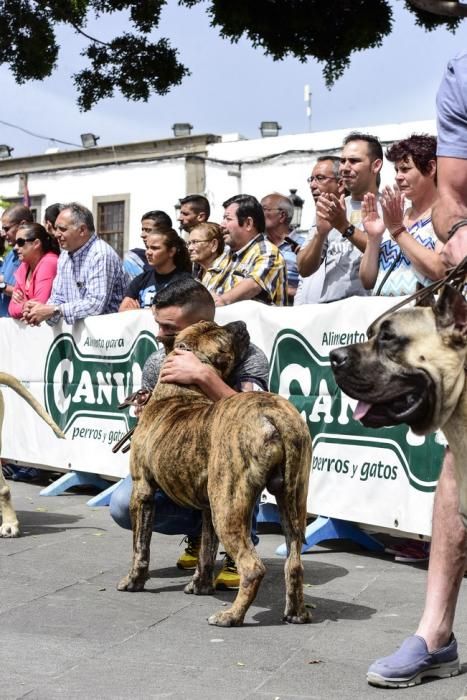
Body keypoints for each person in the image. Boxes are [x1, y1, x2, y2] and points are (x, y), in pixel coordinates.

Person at [367, 52, 467, 689]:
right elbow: (456, 199)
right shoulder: (463, 70)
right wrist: (460, 243)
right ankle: (435, 633)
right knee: (460, 455)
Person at [110, 277, 269, 590]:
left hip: (230, 466)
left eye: (169, 328)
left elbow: (257, 420)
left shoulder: (247, 356)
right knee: (120, 503)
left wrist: (204, 376)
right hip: (181, 466)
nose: (160, 335)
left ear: (202, 325)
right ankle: (200, 531)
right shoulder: (159, 360)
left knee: (235, 470)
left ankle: (239, 547)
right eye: (158, 324)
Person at [359, 134, 446, 296]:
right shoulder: (395, 216)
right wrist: (374, 238)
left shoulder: (447, 217)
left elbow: (440, 270)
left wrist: (398, 231)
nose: (398, 177)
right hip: (383, 315)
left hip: (420, 317)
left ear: (431, 168)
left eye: (405, 169)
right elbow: (367, 281)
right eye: (396, 170)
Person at [22, 202, 129, 326]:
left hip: (109, 339)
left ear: (82, 230)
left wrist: (54, 310)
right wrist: (38, 310)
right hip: (80, 340)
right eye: (56, 228)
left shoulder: (100, 254)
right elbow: (57, 299)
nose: (56, 234)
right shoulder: (64, 256)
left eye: (62, 229)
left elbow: (95, 305)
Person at [296, 143, 373, 303]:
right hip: (330, 311)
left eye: (320, 178)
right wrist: (320, 234)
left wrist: (344, 226)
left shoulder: (376, 205)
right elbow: (303, 268)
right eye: (311, 179)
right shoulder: (323, 213)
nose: (312, 185)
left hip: (364, 307)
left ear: (340, 184)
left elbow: (380, 251)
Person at [202, 194, 287, 306]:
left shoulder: (267, 252)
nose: (221, 225)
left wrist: (220, 301)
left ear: (248, 223)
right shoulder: (224, 255)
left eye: (228, 219)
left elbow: (253, 286)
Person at [119, 228, 192, 310]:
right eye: (147, 247)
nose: (148, 252)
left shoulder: (185, 281)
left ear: (171, 251)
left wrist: (140, 313)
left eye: (155, 248)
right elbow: (123, 310)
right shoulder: (140, 280)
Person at [8, 223, 60, 319]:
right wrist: (24, 306)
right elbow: (11, 308)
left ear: (36, 244)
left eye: (20, 242)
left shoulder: (49, 262)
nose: (15, 247)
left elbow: (38, 307)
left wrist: (22, 303)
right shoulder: (24, 265)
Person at [261, 192, 304, 304]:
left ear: (282, 216)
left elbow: (312, 288)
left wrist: (282, 290)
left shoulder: (304, 246)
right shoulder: (258, 246)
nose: (258, 214)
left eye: (263, 209)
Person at [0, 204, 34, 316]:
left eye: (7, 228)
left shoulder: (33, 254)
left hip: (20, 326)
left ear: (22, 224)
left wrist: (2, 287)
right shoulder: (11, 254)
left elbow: (27, 293)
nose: (4, 234)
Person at [123, 210, 172, 280]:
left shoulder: (178, 261)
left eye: (148, 230)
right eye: (142, 230)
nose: (142, 235)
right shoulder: (134, 258)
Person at [188, 221, 225, 289]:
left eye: (195, 242)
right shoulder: (196, 274)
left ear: (213, 245)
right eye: (189, 243)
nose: (190, 248)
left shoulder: (226, 274)